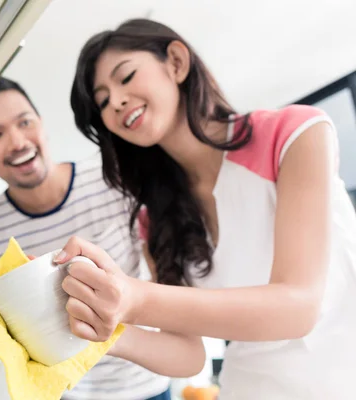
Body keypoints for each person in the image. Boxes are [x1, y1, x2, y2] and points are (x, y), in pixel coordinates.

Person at [55, 18, 356, 399]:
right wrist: (103, 328)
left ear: (177, 62)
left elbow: (298, 307)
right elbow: (187, 354)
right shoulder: (154, 220)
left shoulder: (295, 133)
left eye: (126, 77)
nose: (115, 102)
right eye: (102, 102)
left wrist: (135, 298)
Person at [0, 77, 188, 400]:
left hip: (145, 386)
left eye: (24, 123)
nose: (17, 142)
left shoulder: (115, 182)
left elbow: (172, 294)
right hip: (62, 393)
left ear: (42, 125)